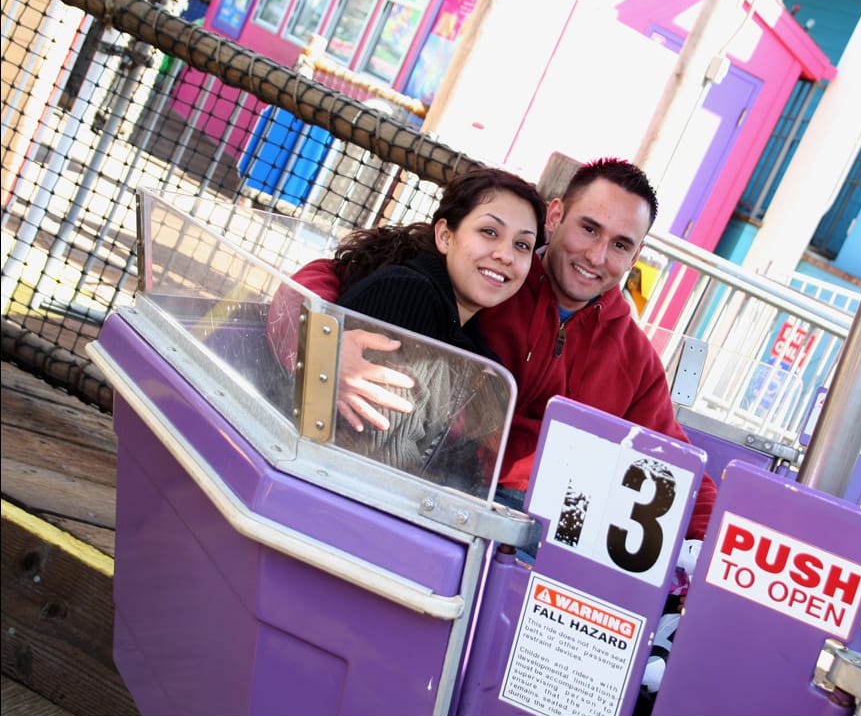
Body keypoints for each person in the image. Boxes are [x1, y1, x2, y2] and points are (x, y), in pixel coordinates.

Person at [274, 157, 718, 544]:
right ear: (557, 216)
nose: (598, 256)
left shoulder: (634, 357)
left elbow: (673, 460)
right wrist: (321, 344)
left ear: (636, 254)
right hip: (436, 490)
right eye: (589, 229)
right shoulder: (486, 279)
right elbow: (331, 276)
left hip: (541, 520)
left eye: (620, 245)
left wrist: (719, 543)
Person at [268, 166, 545, 486]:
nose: (505, 255)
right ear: (445, 235)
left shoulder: (468, 335)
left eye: (522, 245)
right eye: (489, 232)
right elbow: (376, 451)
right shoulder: (410, 294)